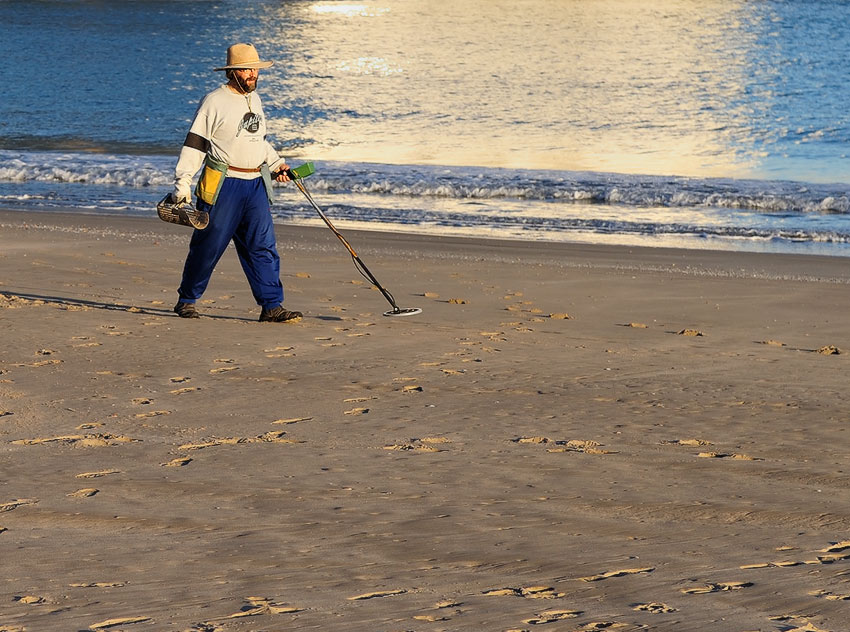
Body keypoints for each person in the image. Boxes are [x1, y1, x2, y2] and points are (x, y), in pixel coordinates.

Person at [169, 42, 302, 322]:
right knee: (208, 245)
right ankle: (187, 300)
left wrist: (277, 164)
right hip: (223, 184)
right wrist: (182, 186)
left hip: (255, 184)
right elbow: (195, 145)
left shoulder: (255, 99)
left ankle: (271, 306)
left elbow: (259, 142)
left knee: (262, 246)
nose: (253, 74)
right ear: (233, 72)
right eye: (246, 69)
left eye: (255, 69)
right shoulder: (214, 101)